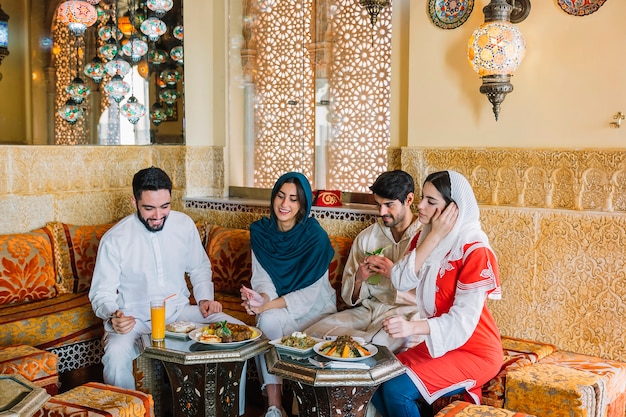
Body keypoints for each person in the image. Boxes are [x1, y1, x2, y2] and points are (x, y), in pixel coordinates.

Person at [89, 166, 241, 390]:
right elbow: (101, 294)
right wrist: (114, 315)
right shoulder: (115, 239)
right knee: (114, 358)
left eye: (165, 206)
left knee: (240, 334)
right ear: (134, 202)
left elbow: (199, 267)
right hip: (135, 321)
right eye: (149, 208)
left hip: (179, 312)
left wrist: (204, 300)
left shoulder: (183, 225)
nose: (158, 216)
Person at [372, 170, 502, 417]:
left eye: (431, 202)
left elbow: (462, 323)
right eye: (423, 197)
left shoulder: (475, 249)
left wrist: (412, 328)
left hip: (476, 350)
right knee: (377, 381)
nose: (420, 205)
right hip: (445, 343)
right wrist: (435, 236)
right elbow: (399, 279)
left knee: (397, 390)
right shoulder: (426, 236)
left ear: (453, 210)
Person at [240, 172, 336, 417]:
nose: (285, 204)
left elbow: (312, 294)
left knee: (268, 316)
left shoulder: (315, 238)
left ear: (302, 204)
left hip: (314, 311)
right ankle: (274, 406)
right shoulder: (262, 233)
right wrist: (262, 299)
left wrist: (269, 305)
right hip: (278, 307)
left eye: (293, 199)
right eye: (281, 196)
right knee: (266, 322)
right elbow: (263, 278)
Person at [304, 170, 422, 353]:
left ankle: (363, 352)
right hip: (368, 310)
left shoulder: (424, 239)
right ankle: (363, 351)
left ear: (409, 199)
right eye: (378, 205)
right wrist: (359, 279)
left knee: (386, 342)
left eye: (389, 205)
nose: (382, 212)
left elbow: (435, 293)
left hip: (406, 313)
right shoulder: (367, 237)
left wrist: (395, 274)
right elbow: (349, 296)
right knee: (313, 333)